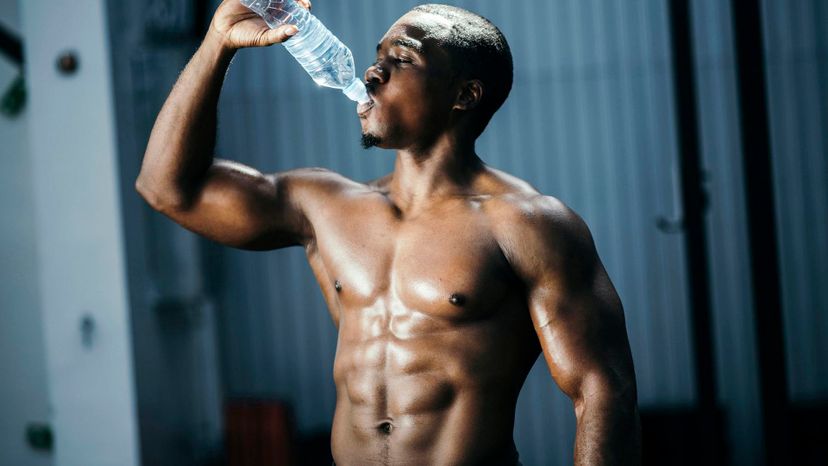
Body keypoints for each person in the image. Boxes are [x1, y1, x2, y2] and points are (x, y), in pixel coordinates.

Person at [136, 1, 642, 464]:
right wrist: (217, 44)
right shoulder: (325, 206)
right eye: (377, 55)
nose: (374, 71)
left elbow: (601, 389)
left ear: (464, 95)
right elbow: (166, 188)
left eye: (402, 59)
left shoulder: (527, 223)